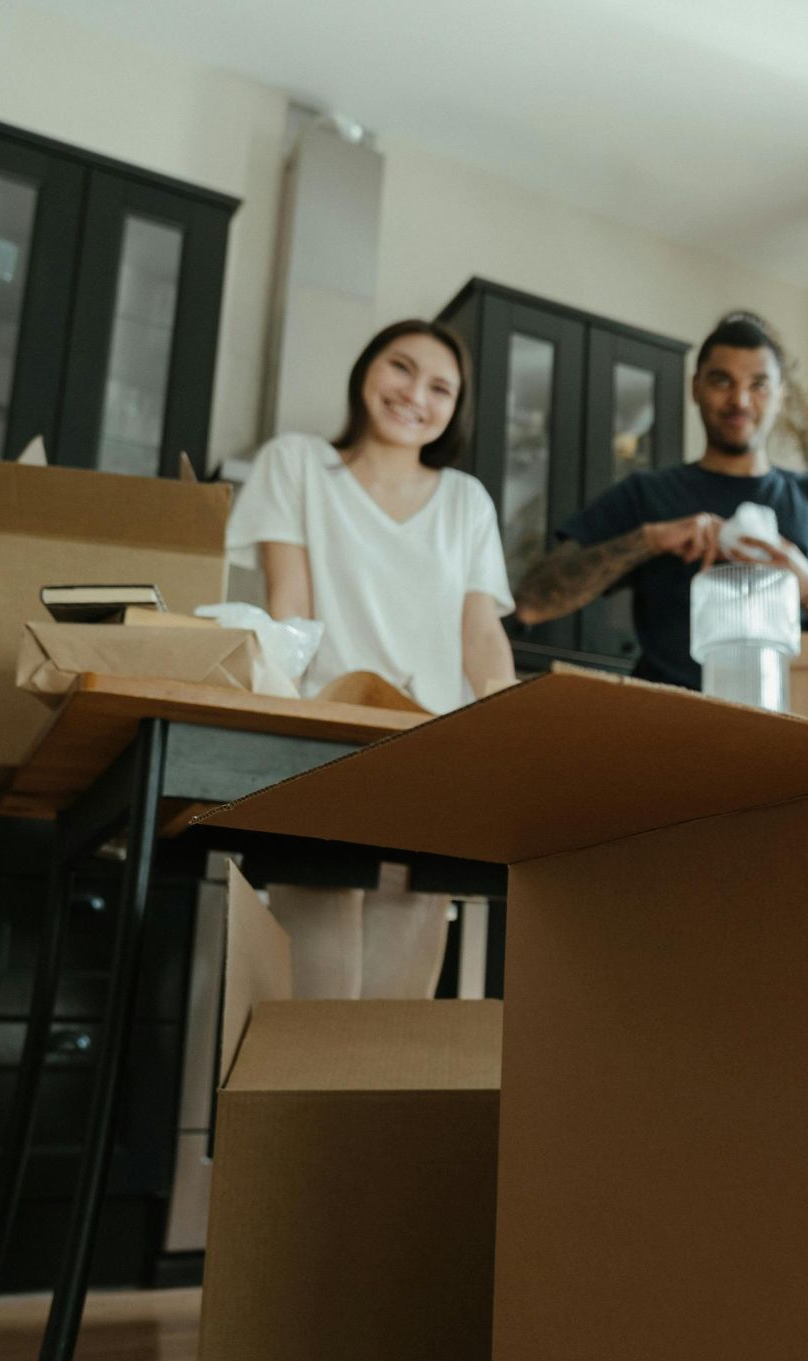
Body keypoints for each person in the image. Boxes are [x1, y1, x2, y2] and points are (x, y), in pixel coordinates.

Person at [226, 319, 517, 998]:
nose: (416, 393)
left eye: (440, 387)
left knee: (395, 1011)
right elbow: (289, 609)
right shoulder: (295, 465)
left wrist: (512, 729)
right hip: (322, 749)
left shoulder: (467, 501)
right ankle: (293, 1108)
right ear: (367, 369)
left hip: (432, 754)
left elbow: (480, 634)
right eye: (402, 367)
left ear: (455, 409)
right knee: (316, 992)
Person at [513, 311, 808, 687]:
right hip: (668, 728)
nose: (739, 400)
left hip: (796, 731)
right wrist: (650, 540)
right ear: (695, 388)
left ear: (780, 395)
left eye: (758, 384)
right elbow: (532, 602)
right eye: (722, 381)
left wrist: (804, 580)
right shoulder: (647, 495)